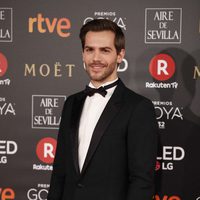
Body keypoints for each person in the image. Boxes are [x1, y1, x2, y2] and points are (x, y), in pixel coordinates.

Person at [47, 19, 158, 200]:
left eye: (105, 50)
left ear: (120, 55)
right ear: (83, 54)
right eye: (89, 49)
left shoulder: (138, 108)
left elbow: (142, 181)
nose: (96, 58)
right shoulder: (71, 103)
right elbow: (59, 171)